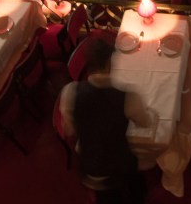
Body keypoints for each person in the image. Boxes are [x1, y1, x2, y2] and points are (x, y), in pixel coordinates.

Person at [60, 38, 154, 203]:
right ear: (109, 64)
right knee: (134, 171)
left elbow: (69, 130)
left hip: (89, 169)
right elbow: (145, 123)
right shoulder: (127, 97)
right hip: (120, 166)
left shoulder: (70, 92)